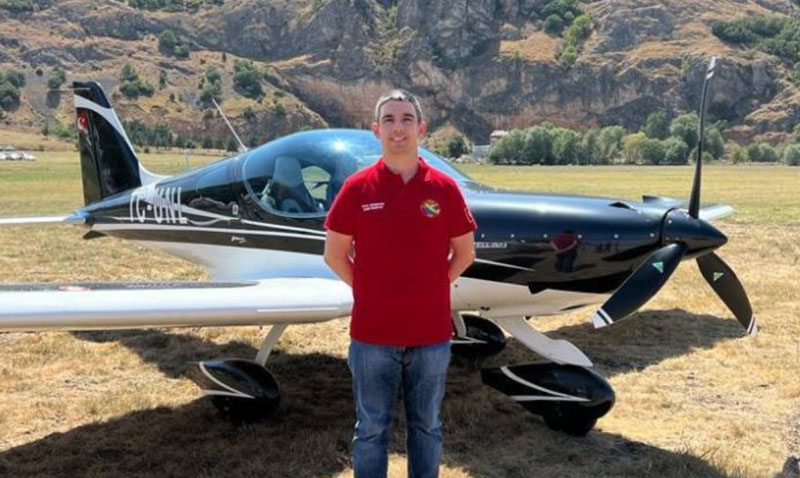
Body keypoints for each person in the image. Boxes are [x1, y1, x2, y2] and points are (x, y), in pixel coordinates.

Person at [323, 89, 476, 478]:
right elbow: (334, 254)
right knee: (371, 430)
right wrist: (368, 289)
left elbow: (465, 253)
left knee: (427, 428)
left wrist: (432, 286)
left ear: (421, 128)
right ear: (376, 130)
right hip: (372, 336)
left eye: (407, 119)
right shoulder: (357, 188)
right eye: (389, 120)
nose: (398, 128)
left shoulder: (444, 189)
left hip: (431, 336)